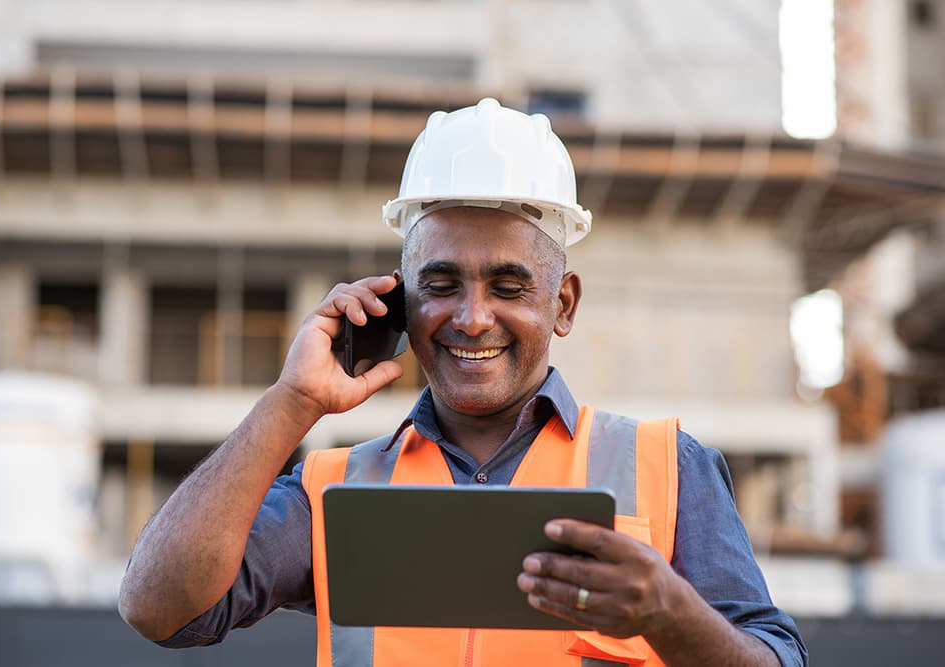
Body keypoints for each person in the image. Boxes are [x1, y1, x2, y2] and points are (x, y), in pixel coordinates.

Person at [119, 98, 807, 667]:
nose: (472, 318)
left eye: (508, 285)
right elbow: (158, 608)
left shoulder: (667, 466)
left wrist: (668, 611)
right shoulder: (336, 489)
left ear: (562, 303)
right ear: (400, 300)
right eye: (440, 285)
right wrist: (292, 403)